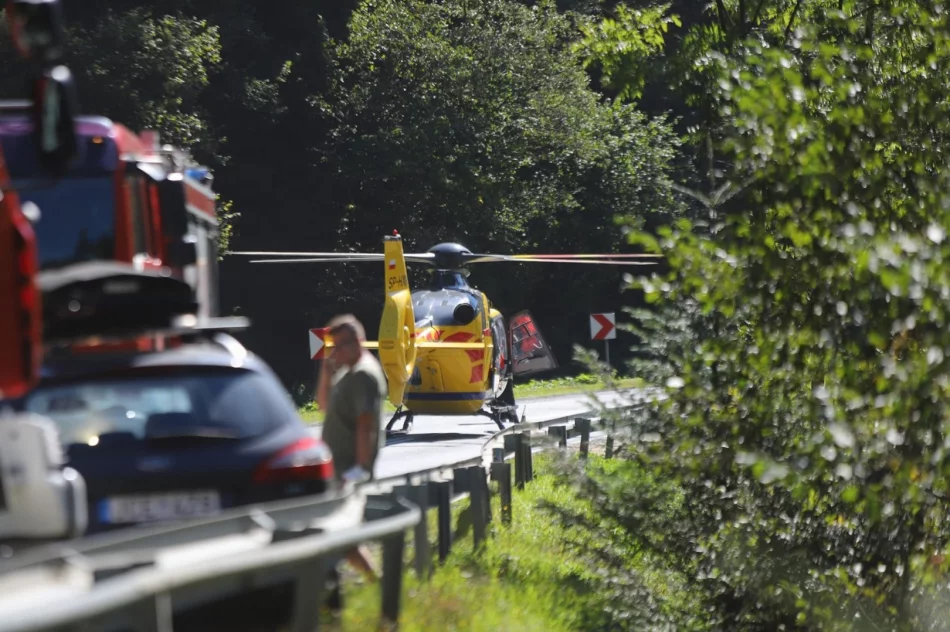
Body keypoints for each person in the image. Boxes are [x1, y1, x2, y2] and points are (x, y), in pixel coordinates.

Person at [315, 314, 388, 583]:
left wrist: (359, 468)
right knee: (344, 537)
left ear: (359, 340)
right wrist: (326, 370)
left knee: (342, 536)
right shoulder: (347, 371)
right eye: (334, 345)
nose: (338, 351)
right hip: (339, 468)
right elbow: (322, 405)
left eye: (343, 344)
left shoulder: (363, 375)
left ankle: (372, 584)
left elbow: (365, 424)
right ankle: (374, 583)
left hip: (348, 470)